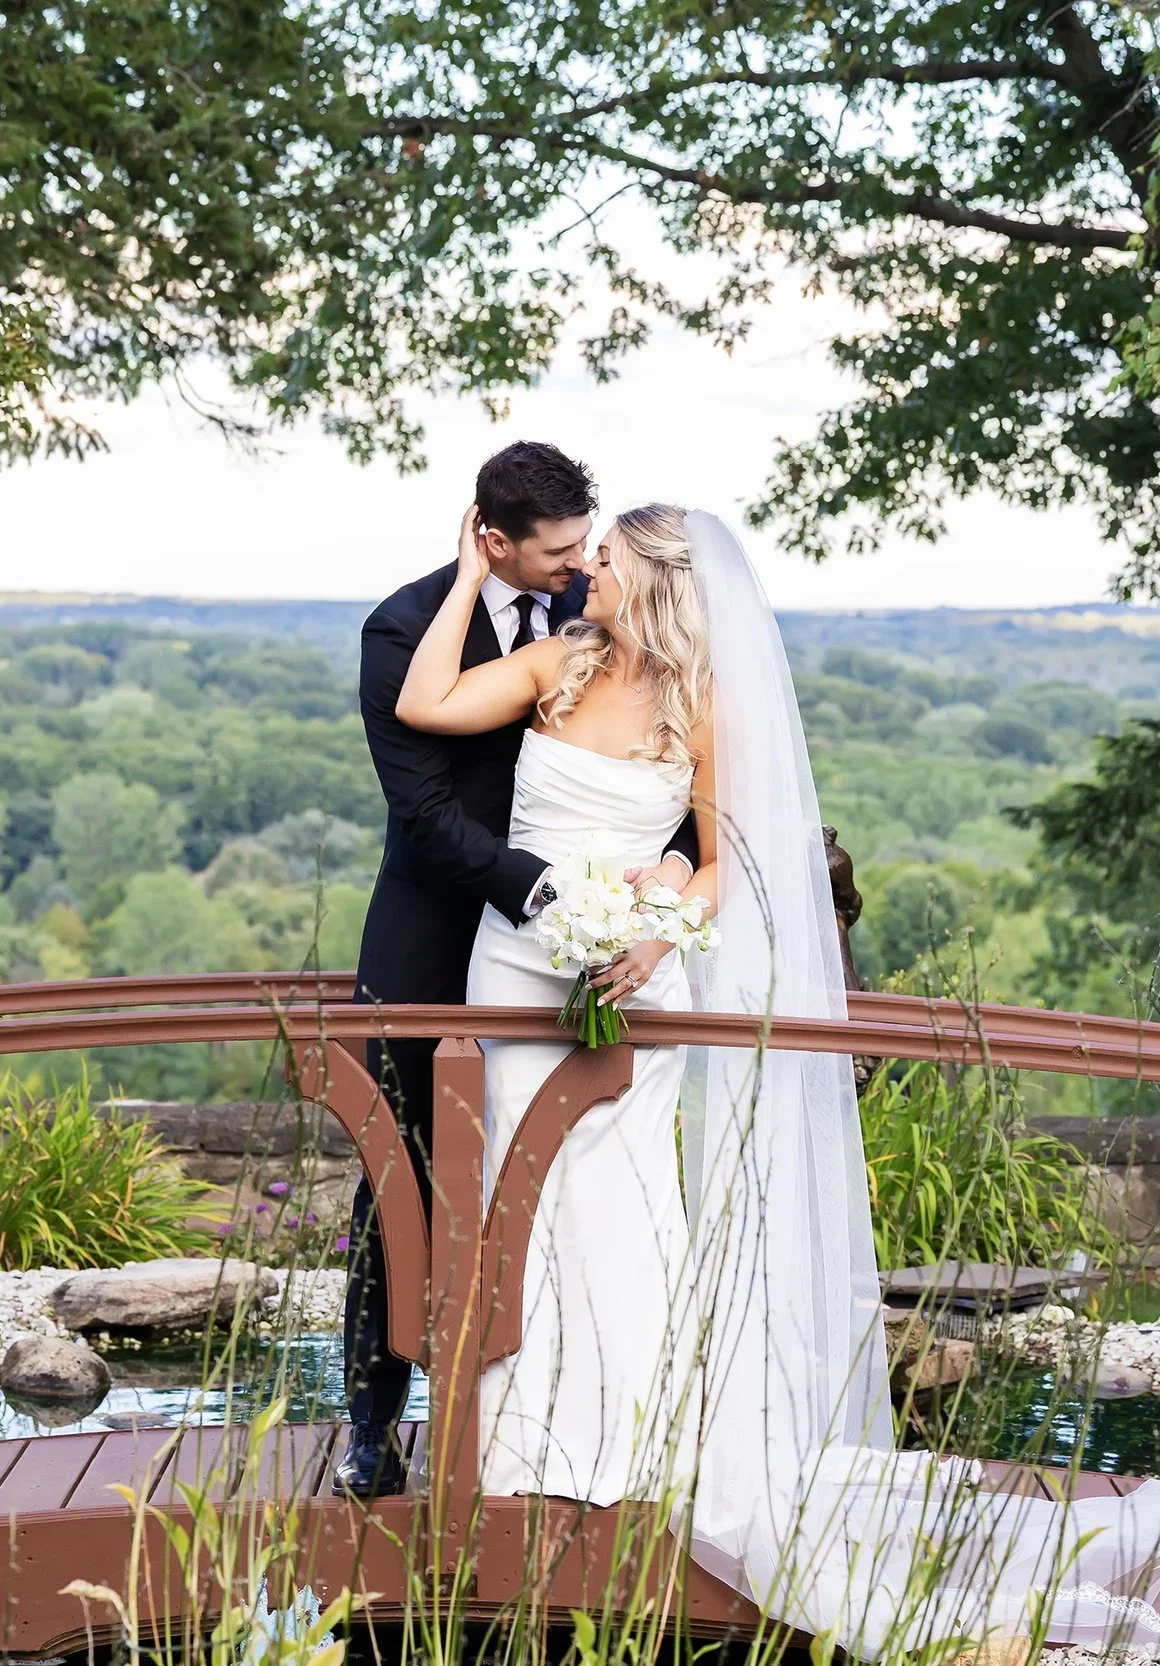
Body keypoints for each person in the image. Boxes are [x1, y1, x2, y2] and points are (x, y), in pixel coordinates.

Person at [394, 502, 1160, 1658]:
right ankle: (506, 1448)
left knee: (616, 1205)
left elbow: (723, 864)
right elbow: (425, 703)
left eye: (604, 558)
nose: (584, 573)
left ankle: (624, 1443)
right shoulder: (555, 663)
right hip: (509, 967)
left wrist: (655, 934)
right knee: (510, 1189)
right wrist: (467, 574)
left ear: (656, 580)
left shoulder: (699, 704)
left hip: (628, 976)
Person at [339, 442, 699, 1500]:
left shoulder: (608, 612)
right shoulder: (405, 626)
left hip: (584, 939)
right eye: (558, 550)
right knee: (400, 1168)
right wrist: (549, 896)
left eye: (588, 545)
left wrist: (665, 875)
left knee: (586, 1178)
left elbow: (680, 794)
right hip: (445, 928)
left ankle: (582, 1408)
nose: (580, 566)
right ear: (491, 541)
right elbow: (428, 812)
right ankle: (375, 1417)